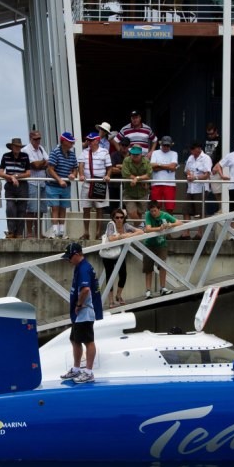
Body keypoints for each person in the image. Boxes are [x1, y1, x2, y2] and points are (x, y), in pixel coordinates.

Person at [60, 242, 101, 384]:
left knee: (88, 341)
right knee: (74, 339)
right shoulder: (79, 267)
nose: (68, 261)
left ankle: (88, 372)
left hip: (85, 311)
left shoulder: (83, 268)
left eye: (69, 257)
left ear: (77, 255)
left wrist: (79, 304)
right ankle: (76, 369)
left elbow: (85, 289)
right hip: (81, 313)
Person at [101, 208, 143, 308]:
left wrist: (130, 234)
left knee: (123, 274)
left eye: (121, 217)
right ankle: (111, 300)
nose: (119, 219)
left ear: (124, 218)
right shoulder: (111, 224)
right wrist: (124, 236)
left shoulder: (126, 225)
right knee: (110, 276)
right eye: (117, 217)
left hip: (120, 253)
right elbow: (111, 238)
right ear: (113, 218)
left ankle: (118, 295)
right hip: (109, 253)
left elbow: (140, 231)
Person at [77, 131, 112, 239]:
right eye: (88, 140)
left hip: (99, 183)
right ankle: (86, 232)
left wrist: (108, 175)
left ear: (97, 141)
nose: (88, 142)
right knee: (86, 208)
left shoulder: (104, 152)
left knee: (99, 209)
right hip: (87, 183)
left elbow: (109, 167)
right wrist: (81, 175)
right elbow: (81, 165)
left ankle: (98, 233)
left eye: (90, 140)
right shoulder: (84, 152)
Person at [142, 200, 178, 298]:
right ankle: (148, 291)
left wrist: (170, 225)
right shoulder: (148, 215)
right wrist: (160, 228)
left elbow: (179, 222)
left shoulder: (165, 215)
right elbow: (148, 228)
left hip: (162, 244)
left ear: (159, 209)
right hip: (149, 244)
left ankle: (163, 288)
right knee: (148, 268)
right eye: (151, 211)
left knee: (163, 266)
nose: (153, 213)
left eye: (155, 211)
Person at [46, 132, 77, 238]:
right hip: (53, 185)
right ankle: (55, 231)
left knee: (63, 208)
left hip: (66, 185)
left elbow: (75, 168)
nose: (72, 143)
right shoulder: (55, 152)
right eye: (70, 141)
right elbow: (50, 169)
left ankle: (62, 231)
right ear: (64, 142)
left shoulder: (72, 154)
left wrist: (73, 174)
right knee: (55, 207)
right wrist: (59, 180)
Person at [0, 137, 31, 239]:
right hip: (10, 185)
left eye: (19, 146)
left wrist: (16, 177)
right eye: (15, 146)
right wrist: (10, 177)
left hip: (22, 185)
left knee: (22, 209)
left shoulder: (25, 156)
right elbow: (0, 172)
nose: (17, 148)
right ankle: (11, 231)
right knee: (10, 208)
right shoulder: (6, 156)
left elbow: (28, 173)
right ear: (12, 147)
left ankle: (19, 233)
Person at [183, 140, 214, 236]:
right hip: (190, 188)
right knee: (186, 210)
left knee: (201, 212)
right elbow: (186, 170)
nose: (193, 152)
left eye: (195, 149)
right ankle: (186, 232)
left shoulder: (206, 158)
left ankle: (199, 233)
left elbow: (207, 175)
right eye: (192, 150)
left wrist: (195, 177)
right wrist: (188, 174)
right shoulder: (190, 158)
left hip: (201, 189)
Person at [24, 130, 49, 238]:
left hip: (42, 182)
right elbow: (35, 165)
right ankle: (29, 232)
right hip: (32, 182)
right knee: (31, 209)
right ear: (30, 138)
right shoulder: (26, 150)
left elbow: (48, 162)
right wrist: (42, 163)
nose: (38, 141)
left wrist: (41, 163)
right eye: (35, 139)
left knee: (40, 210)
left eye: (39, 138)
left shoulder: (41, 148)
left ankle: (38, 232)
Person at [121, 144, 152, 222]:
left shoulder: (146, 161)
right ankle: (141, 226)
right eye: (133, 154)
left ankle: (138, 231)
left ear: (141, 154)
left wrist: (137, 179)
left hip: (142, 192)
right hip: (129, 191)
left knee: (140, 213)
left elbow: (149, 174)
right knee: (132, 213)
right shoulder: (126, 160)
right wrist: (137, 179)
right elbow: (125, 174)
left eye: (137, 154)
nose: (134, 156)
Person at [149, 135, 179, 214]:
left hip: (170, 183)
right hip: (156, 183)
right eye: (164, 145)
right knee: (155, 207)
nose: (166, 147)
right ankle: (157, 224)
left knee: (170, 207)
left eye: (167, 145)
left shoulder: (174, 153)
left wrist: (158, 165)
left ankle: (170, 224)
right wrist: (168, 166)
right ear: (161, 144)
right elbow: (152, 166)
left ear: (170, 145)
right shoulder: (155, 153)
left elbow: (173, 166)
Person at [203, 123, 223, 212]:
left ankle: (221, 208)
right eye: (208, 134)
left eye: (212, 133)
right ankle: (201, 210)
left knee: (217, 191)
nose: (210, 136)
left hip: (216, 168)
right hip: (207, 168)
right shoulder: (206, 140)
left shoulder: (221, 140)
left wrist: (217, 165)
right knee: (206, 189)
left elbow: (224, 154)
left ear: (216, 132)